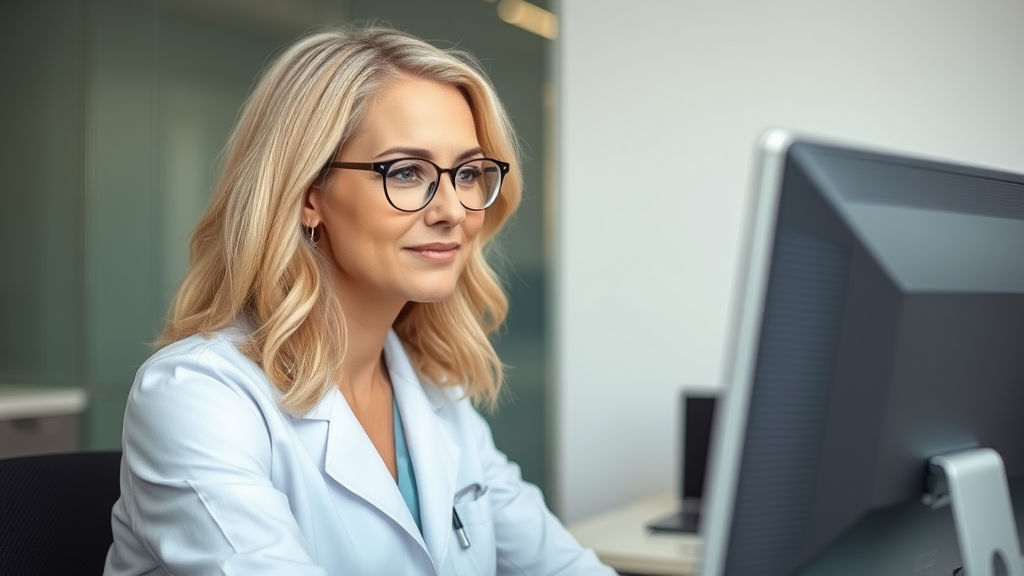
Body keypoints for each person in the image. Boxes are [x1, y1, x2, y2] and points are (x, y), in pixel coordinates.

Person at [102, 25, 616, 576]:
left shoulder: (434, 396)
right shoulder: (198, 396)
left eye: (466, 173)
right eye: (406, 172)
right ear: (308, 196)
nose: (452, 210)